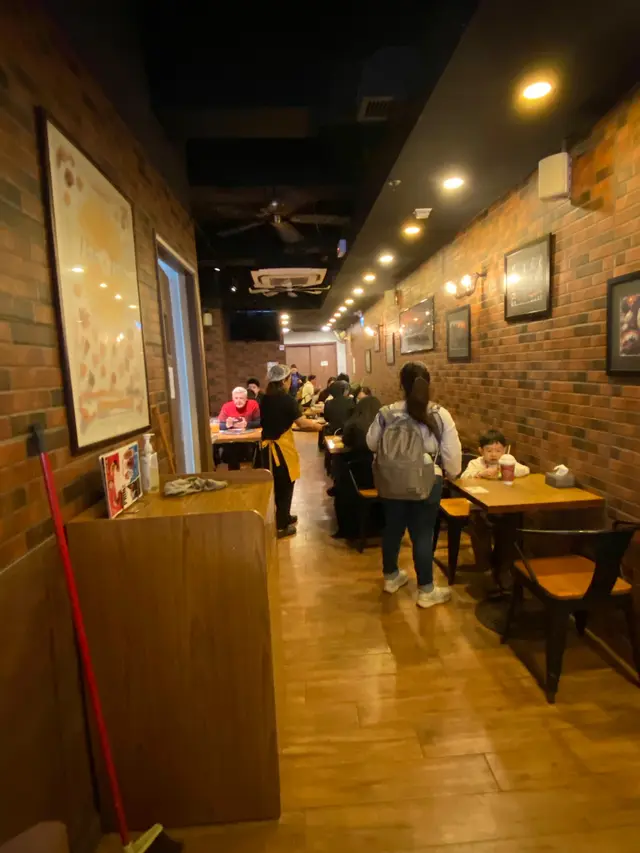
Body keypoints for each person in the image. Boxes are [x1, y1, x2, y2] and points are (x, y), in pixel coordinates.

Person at [366, 362, 462, 609]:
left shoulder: (386, 413)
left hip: (391, 479)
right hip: (428, 479)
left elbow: (371, 443)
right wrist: (452, 474)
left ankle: (391, 577)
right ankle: (426, 590)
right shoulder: (439, 413)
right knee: (422, 534)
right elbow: (452, 454)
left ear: (401, 384)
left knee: (392, 528)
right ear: (428, 384)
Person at [257, 364, 323, 538]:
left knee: (275, 484)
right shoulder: (287, 400)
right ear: (284, 381)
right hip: (281, 450)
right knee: (285, 485)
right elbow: (302, 423)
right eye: (289, 379)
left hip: (265, 449)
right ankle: (281, 526)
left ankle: (284, 516)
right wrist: (319, 427)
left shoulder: (263, 398)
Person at [461, 429, 530, 588]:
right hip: (479, 507)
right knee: (479, 526)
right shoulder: (476, 463)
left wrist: (505, 469)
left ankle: (503, 568)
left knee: (511, 527)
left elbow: (525, 470)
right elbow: (464, 477)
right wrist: (481, 473)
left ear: (504, 450)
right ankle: (485, 565)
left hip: (503, 506)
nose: (494, 454)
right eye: (489, 450)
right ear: (481, 451)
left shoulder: (507, 460)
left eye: (498, 450)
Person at [332, 395, 382, 539]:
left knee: (340, 467)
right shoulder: (385, 426)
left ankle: (347, 528)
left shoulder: (354, 424)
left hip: (358, 478)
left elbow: (346, 442)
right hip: (382, 478)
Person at [218, 387, 261, 470]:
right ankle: (234, 474)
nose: (238, 401)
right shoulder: (226, 406)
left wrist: (247, 424)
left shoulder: (253, 404)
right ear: (232, 398)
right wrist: (227, 425)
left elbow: (260, 422)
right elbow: (219, 425)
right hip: (230, 441)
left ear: (246, 399)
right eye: (236, 398)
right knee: (231, 450)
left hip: (248, 439)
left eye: (241, 398)